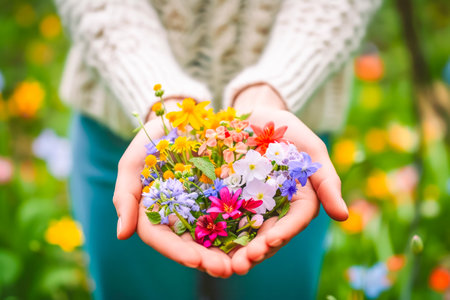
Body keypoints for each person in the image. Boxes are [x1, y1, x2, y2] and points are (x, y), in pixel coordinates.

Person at [56, 0, 381, 299]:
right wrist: (161, 101)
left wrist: (274, 88)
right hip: (130, 138)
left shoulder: (285, 159)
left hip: (282, 157)